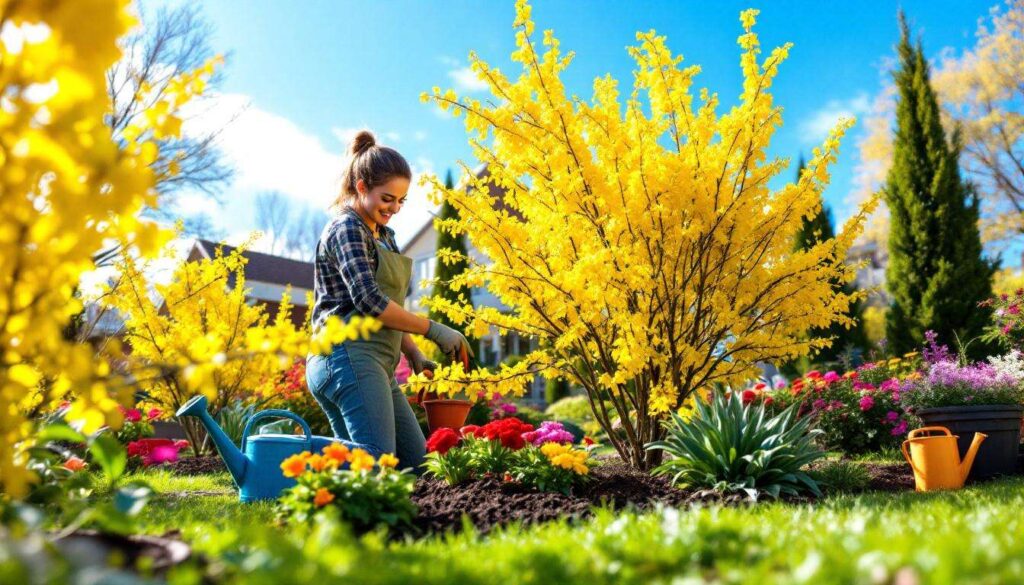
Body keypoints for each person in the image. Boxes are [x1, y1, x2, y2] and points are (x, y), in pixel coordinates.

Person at [306, 130, 472, 471]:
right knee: (375, 465)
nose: (394, 208)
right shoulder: (346, 229)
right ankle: (315, 498)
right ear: (362, 186)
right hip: (345, 357)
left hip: (373, 364)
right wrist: (434, 329)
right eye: (387, 198)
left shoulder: (384, 235)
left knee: (417, 464)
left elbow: (388, 303)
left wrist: (412, 351)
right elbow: (369, 300)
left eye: (401, 201)